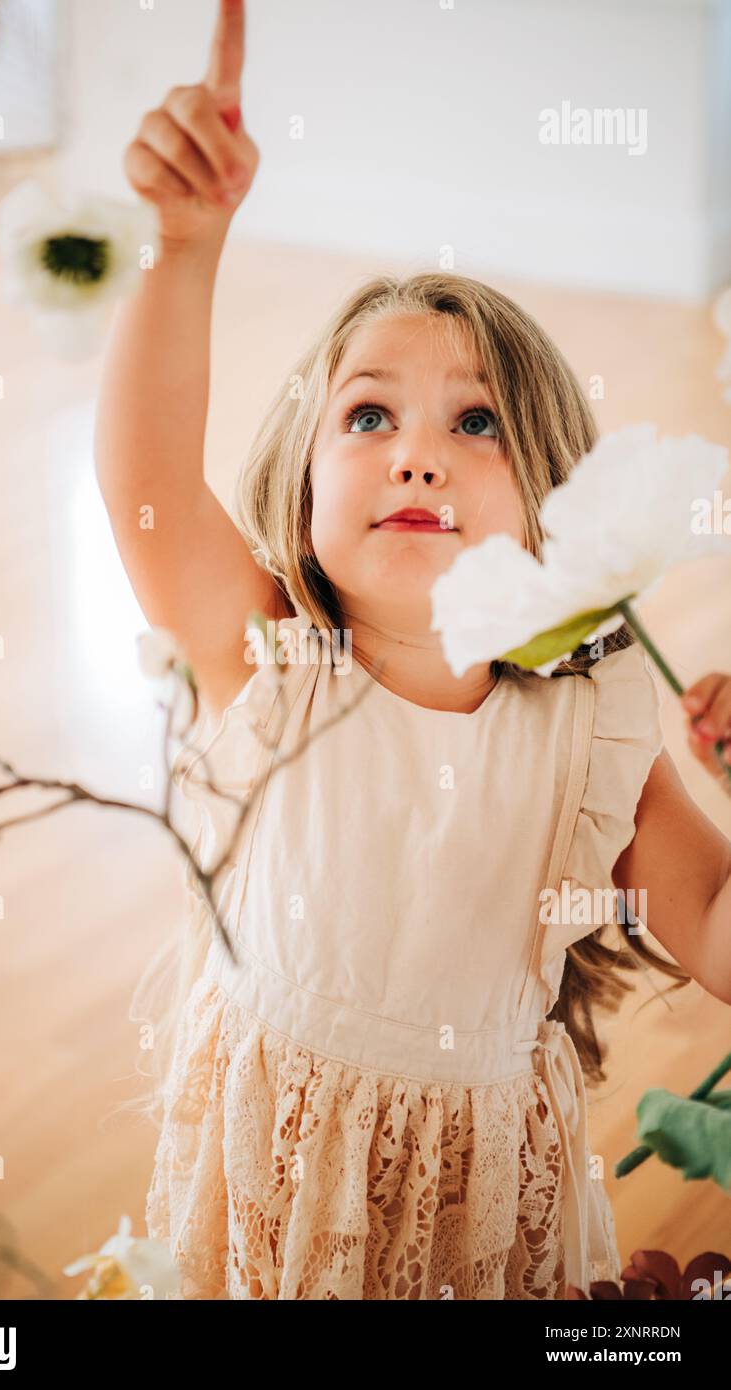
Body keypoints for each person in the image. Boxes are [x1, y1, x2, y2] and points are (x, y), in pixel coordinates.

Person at [94, 0, 731, 1299]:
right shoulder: (273, 660)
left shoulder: (594, 724)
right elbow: (147, 479)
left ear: (551, 498)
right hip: (272, 1203)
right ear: (304, 479)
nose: (417, 450)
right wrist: (185, 242)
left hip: (478, 1228)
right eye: (367, 413)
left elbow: (715, 927)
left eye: (477, 421)